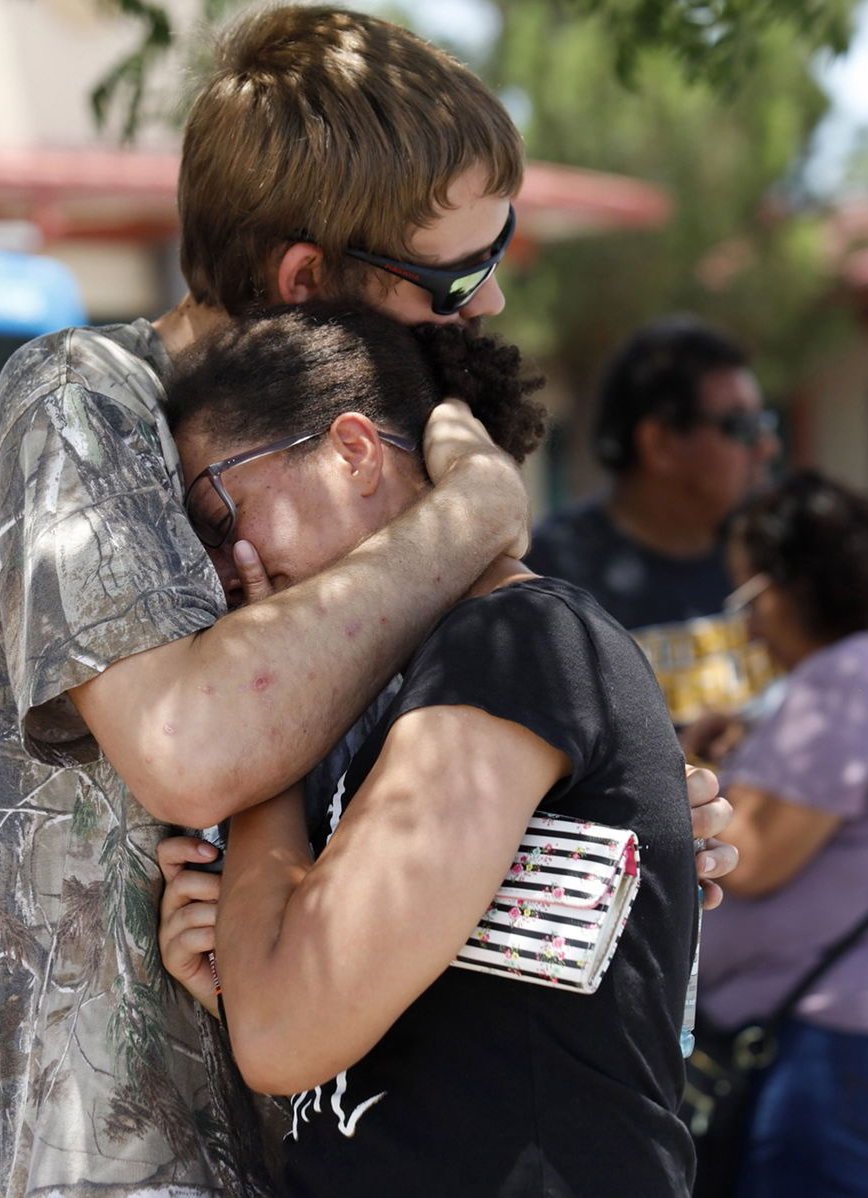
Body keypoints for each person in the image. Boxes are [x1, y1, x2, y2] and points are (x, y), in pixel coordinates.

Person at [0, 7, 733, 1196]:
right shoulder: (85, 399)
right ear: (307, 279)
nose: (487, 304)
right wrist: (471, 514)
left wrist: (613, 828)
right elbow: (192, 747)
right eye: (454, 274)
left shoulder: (364, 520)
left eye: (497, 251)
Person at [158, 303, 700, 1197]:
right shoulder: (408, 689)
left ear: (353, 451)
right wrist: (244, 960)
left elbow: (284, 1035)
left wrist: (261, 728)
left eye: (220, 516)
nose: (219, 569)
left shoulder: (516, 644)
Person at [683, 471, 868, 1197]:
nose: (751, 629)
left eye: (748, 600)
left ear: (795, 585)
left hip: (833, 1042)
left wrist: (688, 769)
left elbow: (751, 857)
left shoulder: (854, 678)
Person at [526, 315, 781, 727]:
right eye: (743, 427)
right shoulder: (550, 581)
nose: (768, 447)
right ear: (660, 443)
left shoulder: (777, 554)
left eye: (765, 423)